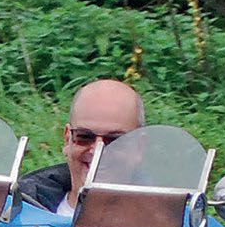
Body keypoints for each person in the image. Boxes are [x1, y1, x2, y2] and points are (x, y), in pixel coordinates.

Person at [20, 79, 145, 216]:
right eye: (84, 137)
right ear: (68, 139)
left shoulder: (165, 224)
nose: (97, 151)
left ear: (139, 145)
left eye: (115, 140)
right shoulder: (18, 211)